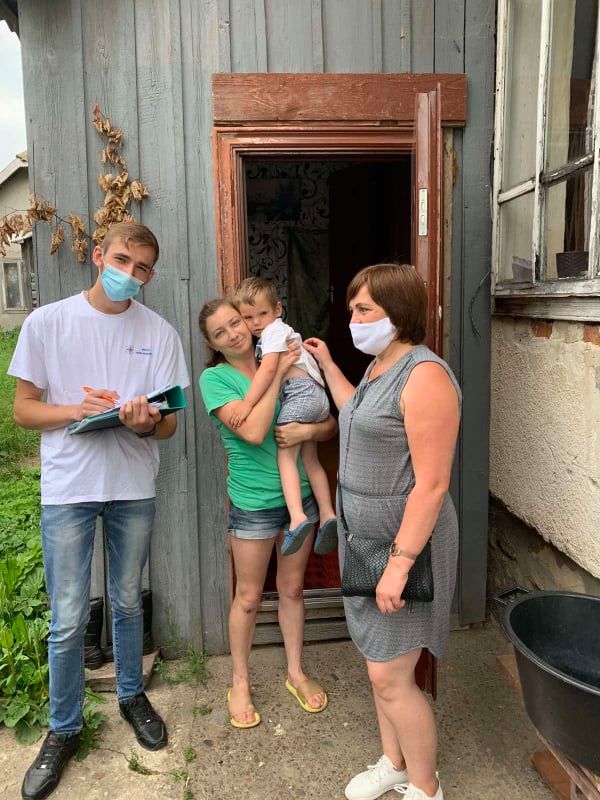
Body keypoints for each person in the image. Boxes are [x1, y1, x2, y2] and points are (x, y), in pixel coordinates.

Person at [9, 222, 190, 800]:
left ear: (151, 275)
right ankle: (63, 728)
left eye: (142, 268)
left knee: (128, 600)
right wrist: (75, 410)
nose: (130, 275)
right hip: (69, 487)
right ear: (97, 255)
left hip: (133, 484)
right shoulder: (47, 323)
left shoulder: (159, 332)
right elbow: (23, 411)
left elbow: (169, 425)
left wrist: (145, 422)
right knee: (66, 617)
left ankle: (132, 696)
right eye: (121, 261)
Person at [304, 264, 461, 800]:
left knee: (392, 676)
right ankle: (394, 763)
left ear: (398, 313)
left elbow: (432, 485)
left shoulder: (425, 376)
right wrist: (327, 364)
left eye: (364, 309)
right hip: (365, 541)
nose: (353, 319)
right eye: (352, 309)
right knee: (379, 666)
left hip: (404, 545)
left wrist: (400, 562)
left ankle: (425, 786)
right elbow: (358, 413)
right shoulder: (378, 366)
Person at [198, 297, 336, 728]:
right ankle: (239, 681)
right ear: (212, 344)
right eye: (220, 332)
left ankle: (295, 672)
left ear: (248, 320)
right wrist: (275, 373)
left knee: (292, 590)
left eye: (235, 322)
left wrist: (308, 428)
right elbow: (256, 433)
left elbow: (328, 424)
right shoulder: (215, 379)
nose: (233, 333)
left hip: (300, 501)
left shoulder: (277, 353)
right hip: (253, 503)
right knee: (249, 596)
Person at [230, 277, 337, 556]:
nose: (256, 322)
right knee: (310, 459)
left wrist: (247, 403)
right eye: (248, 317)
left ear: (277, 309)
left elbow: (269, 371)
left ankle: (297, 517)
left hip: (298, 394)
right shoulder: (279, 332)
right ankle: (328, 514)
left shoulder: (273, 332)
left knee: (286, 457)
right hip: (316, 396)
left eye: (262, 313)